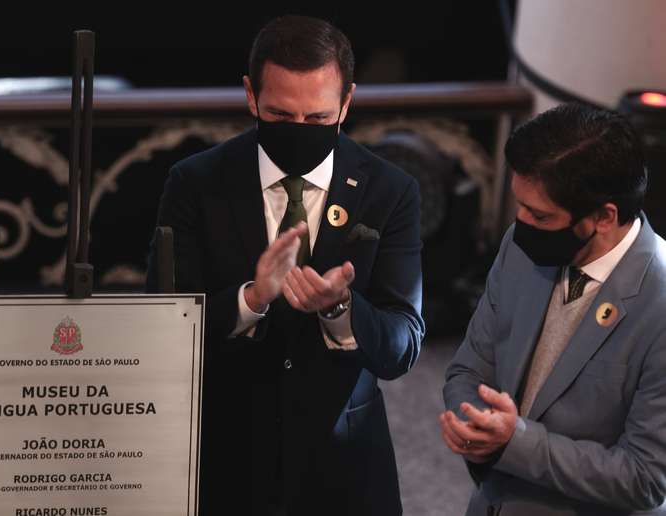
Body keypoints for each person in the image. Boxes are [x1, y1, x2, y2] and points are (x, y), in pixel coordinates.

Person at [146, 14, 424, 516]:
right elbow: (161, 327)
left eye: (318, 119)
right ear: (251, 96)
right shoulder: (195, 182)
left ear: (347, 102)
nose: (300, 131)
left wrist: (340, 306)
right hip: (226, 457)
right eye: (280, 116)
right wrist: (251, 299)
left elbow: (402, 345)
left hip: (344, 464)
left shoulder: (391, 191)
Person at [441, 102, 666, 515]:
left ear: (603, 216)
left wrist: (514, 442)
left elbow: (647, 477)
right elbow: (468, 370)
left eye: (539, 215)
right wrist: (474, 425)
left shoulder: (661, 302)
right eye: (519, 205)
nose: (519, 221)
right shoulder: (520, 244)